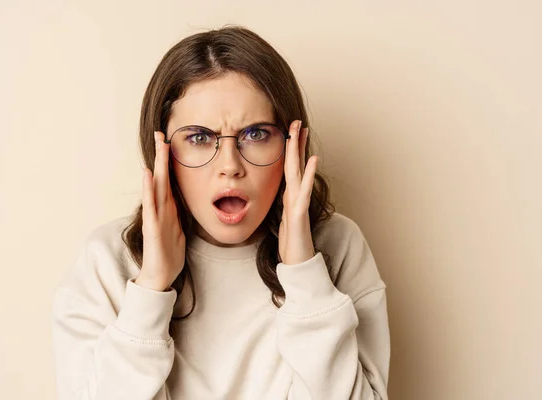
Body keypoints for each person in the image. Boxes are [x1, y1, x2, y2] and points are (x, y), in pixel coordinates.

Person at [51, 25, 390, 400]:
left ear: (294, 143)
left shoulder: (338, 246)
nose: (230, 166)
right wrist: (151, 289)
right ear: (161, 150)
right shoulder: (107, 260)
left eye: (256, 134)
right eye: (199, 137)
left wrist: (305, 274)